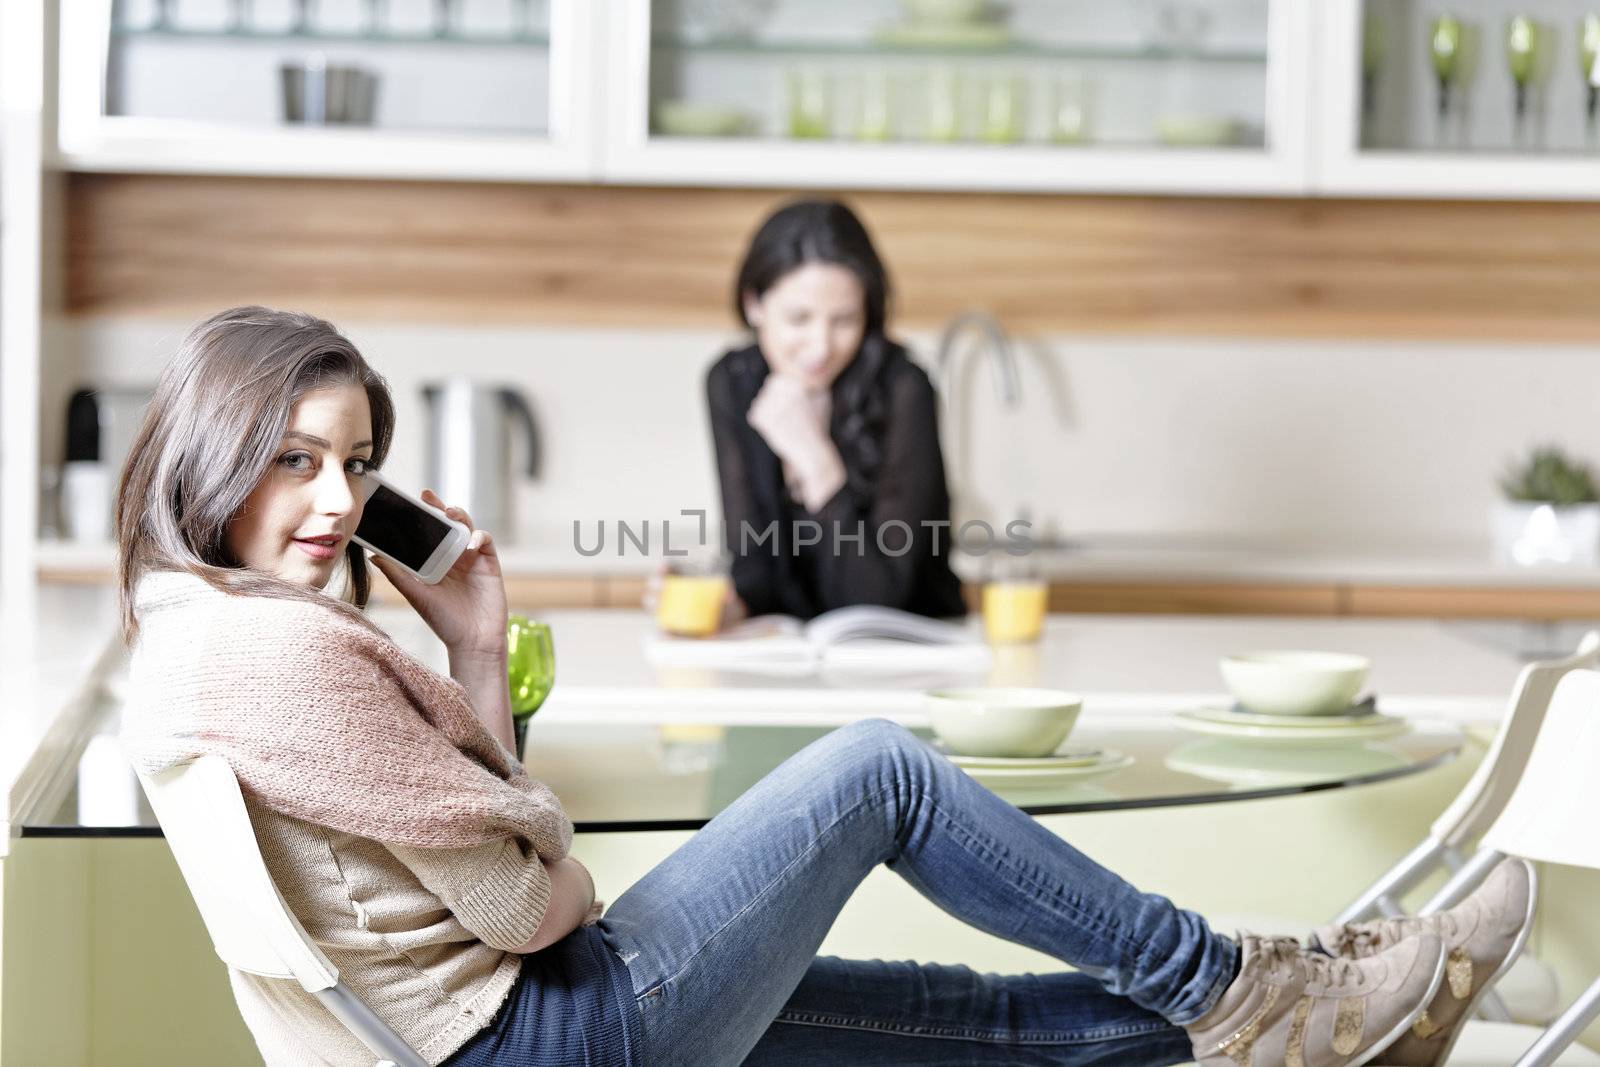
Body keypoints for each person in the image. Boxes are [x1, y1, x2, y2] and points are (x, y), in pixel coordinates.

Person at [119, 306, 1534, 1067]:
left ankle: (1323, 1031)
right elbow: (532, 902)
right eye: (297, 456)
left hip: (487, 1034)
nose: (338, 499)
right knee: (878, 766)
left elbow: (469, 858)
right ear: (215, 448)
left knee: (941, 1011)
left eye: (357, 463)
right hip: (540, 1036)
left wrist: (477, 649)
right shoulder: (284, 650)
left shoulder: (192, 629)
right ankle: (1242, 986)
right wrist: (544, 838)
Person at [705, 199, 967, 622]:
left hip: (912, 655)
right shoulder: (733, 382)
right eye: (799, 318)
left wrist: (816, 461)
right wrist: (728, 609)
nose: (822, 346)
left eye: (844, 320)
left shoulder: (904, 387)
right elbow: (756, 570)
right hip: (795, 662)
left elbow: (878, 602)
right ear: (754, 305)